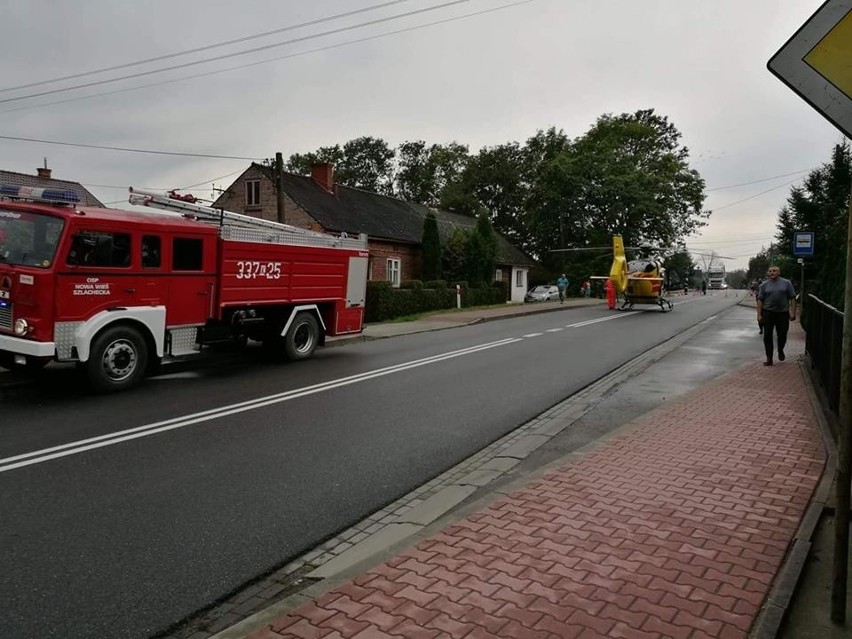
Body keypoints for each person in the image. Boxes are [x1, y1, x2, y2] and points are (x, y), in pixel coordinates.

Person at [757, 265, 796, 366]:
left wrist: (793, 312)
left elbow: (792, 298)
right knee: (767, 335)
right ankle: (769, 358)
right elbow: (760, 300)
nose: (772, 273)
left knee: (782, 334)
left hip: (782, 313)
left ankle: (780, 349)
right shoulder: (764, 285)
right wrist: (759, 315)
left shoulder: (786, 283)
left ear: (779, 272)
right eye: (770, 271)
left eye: (774, 271)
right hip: (768, 313)